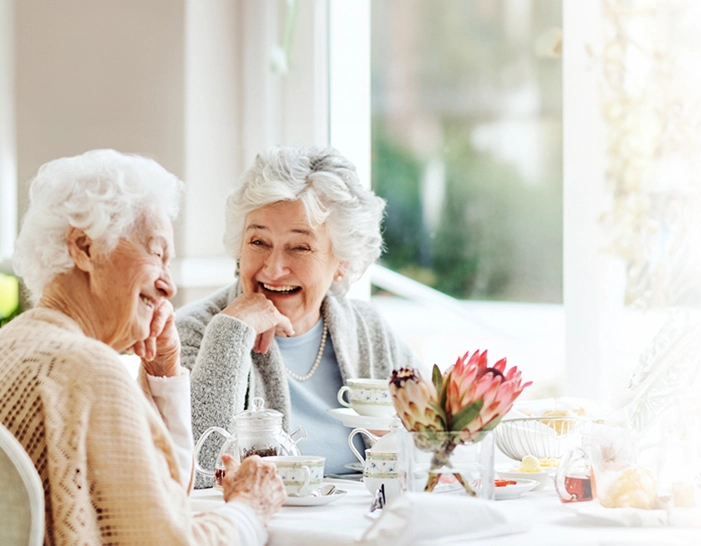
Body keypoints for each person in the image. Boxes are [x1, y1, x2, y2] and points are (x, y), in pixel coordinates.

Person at [0, 149, 285, 545]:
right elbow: (172, 542)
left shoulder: (13, 345)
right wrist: (251, 506)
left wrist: (164, 372)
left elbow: (155, 507)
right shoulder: (86, 370)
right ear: (84, 247)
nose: (169, 285)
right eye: (156, 254)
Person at [177, 146, 421, 486]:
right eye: (259, 241)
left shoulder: (367, 329)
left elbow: (435, 443)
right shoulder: (195, 331)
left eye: (300, 247)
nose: (273, 268)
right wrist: (230, 334)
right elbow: (196, 472)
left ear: (342, 263)